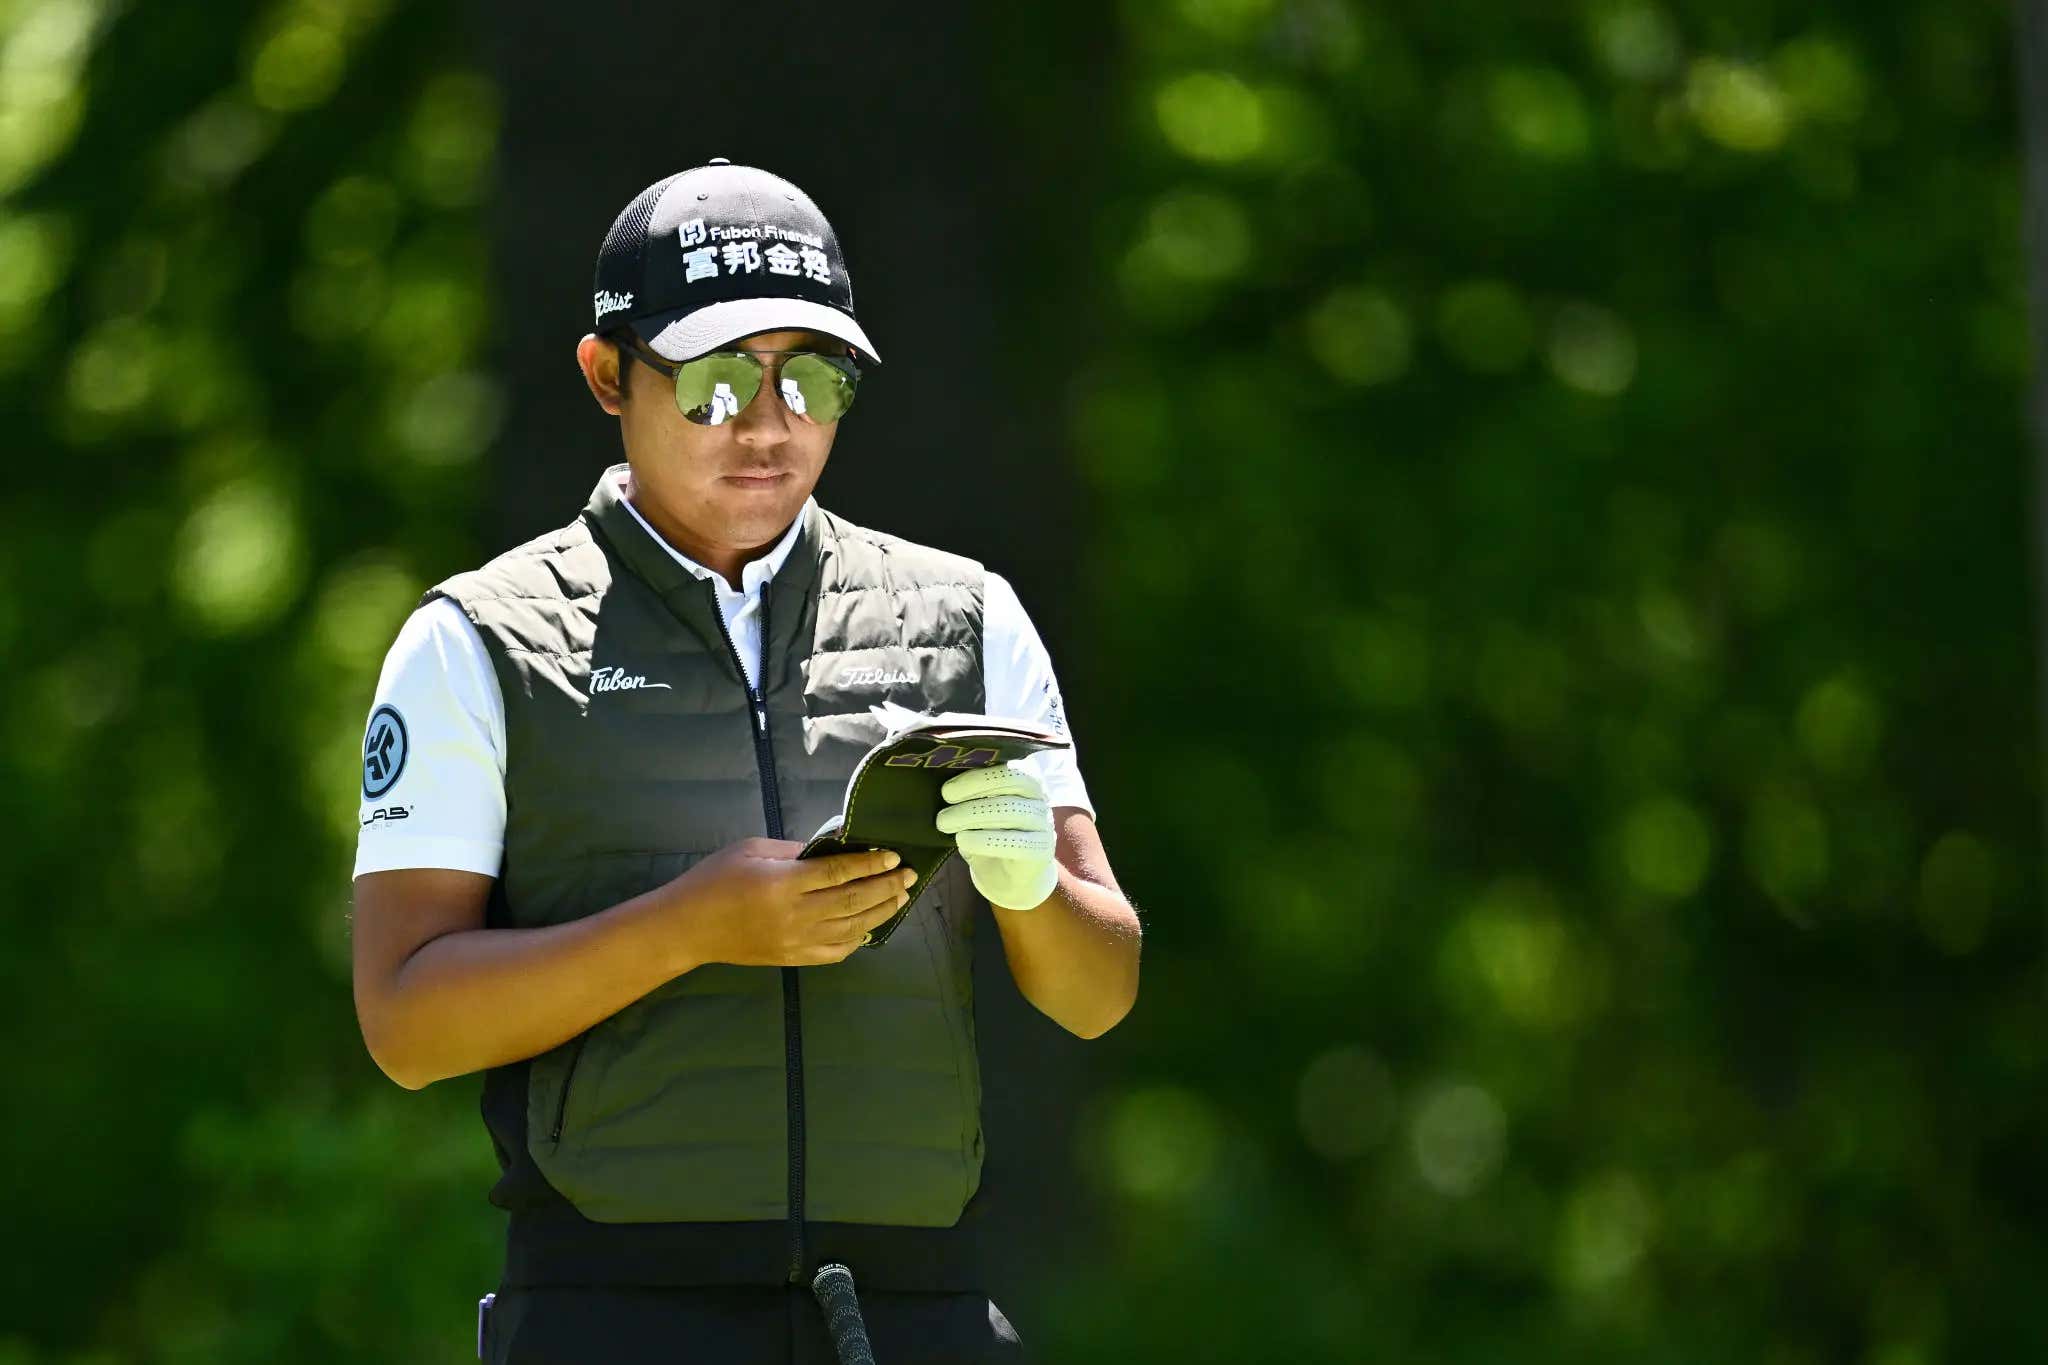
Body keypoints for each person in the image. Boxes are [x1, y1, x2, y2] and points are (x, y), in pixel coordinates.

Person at [348, 158, 1142, 1364]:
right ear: (608, 375)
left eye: (813, 377)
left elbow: (1098, 995)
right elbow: (405, 1023)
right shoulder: (477, 640)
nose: (770, 426)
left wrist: (1031, 890)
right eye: (717, 380)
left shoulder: (969, 619)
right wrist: (692, 926)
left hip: (915, 1315)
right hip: (610, 1316)